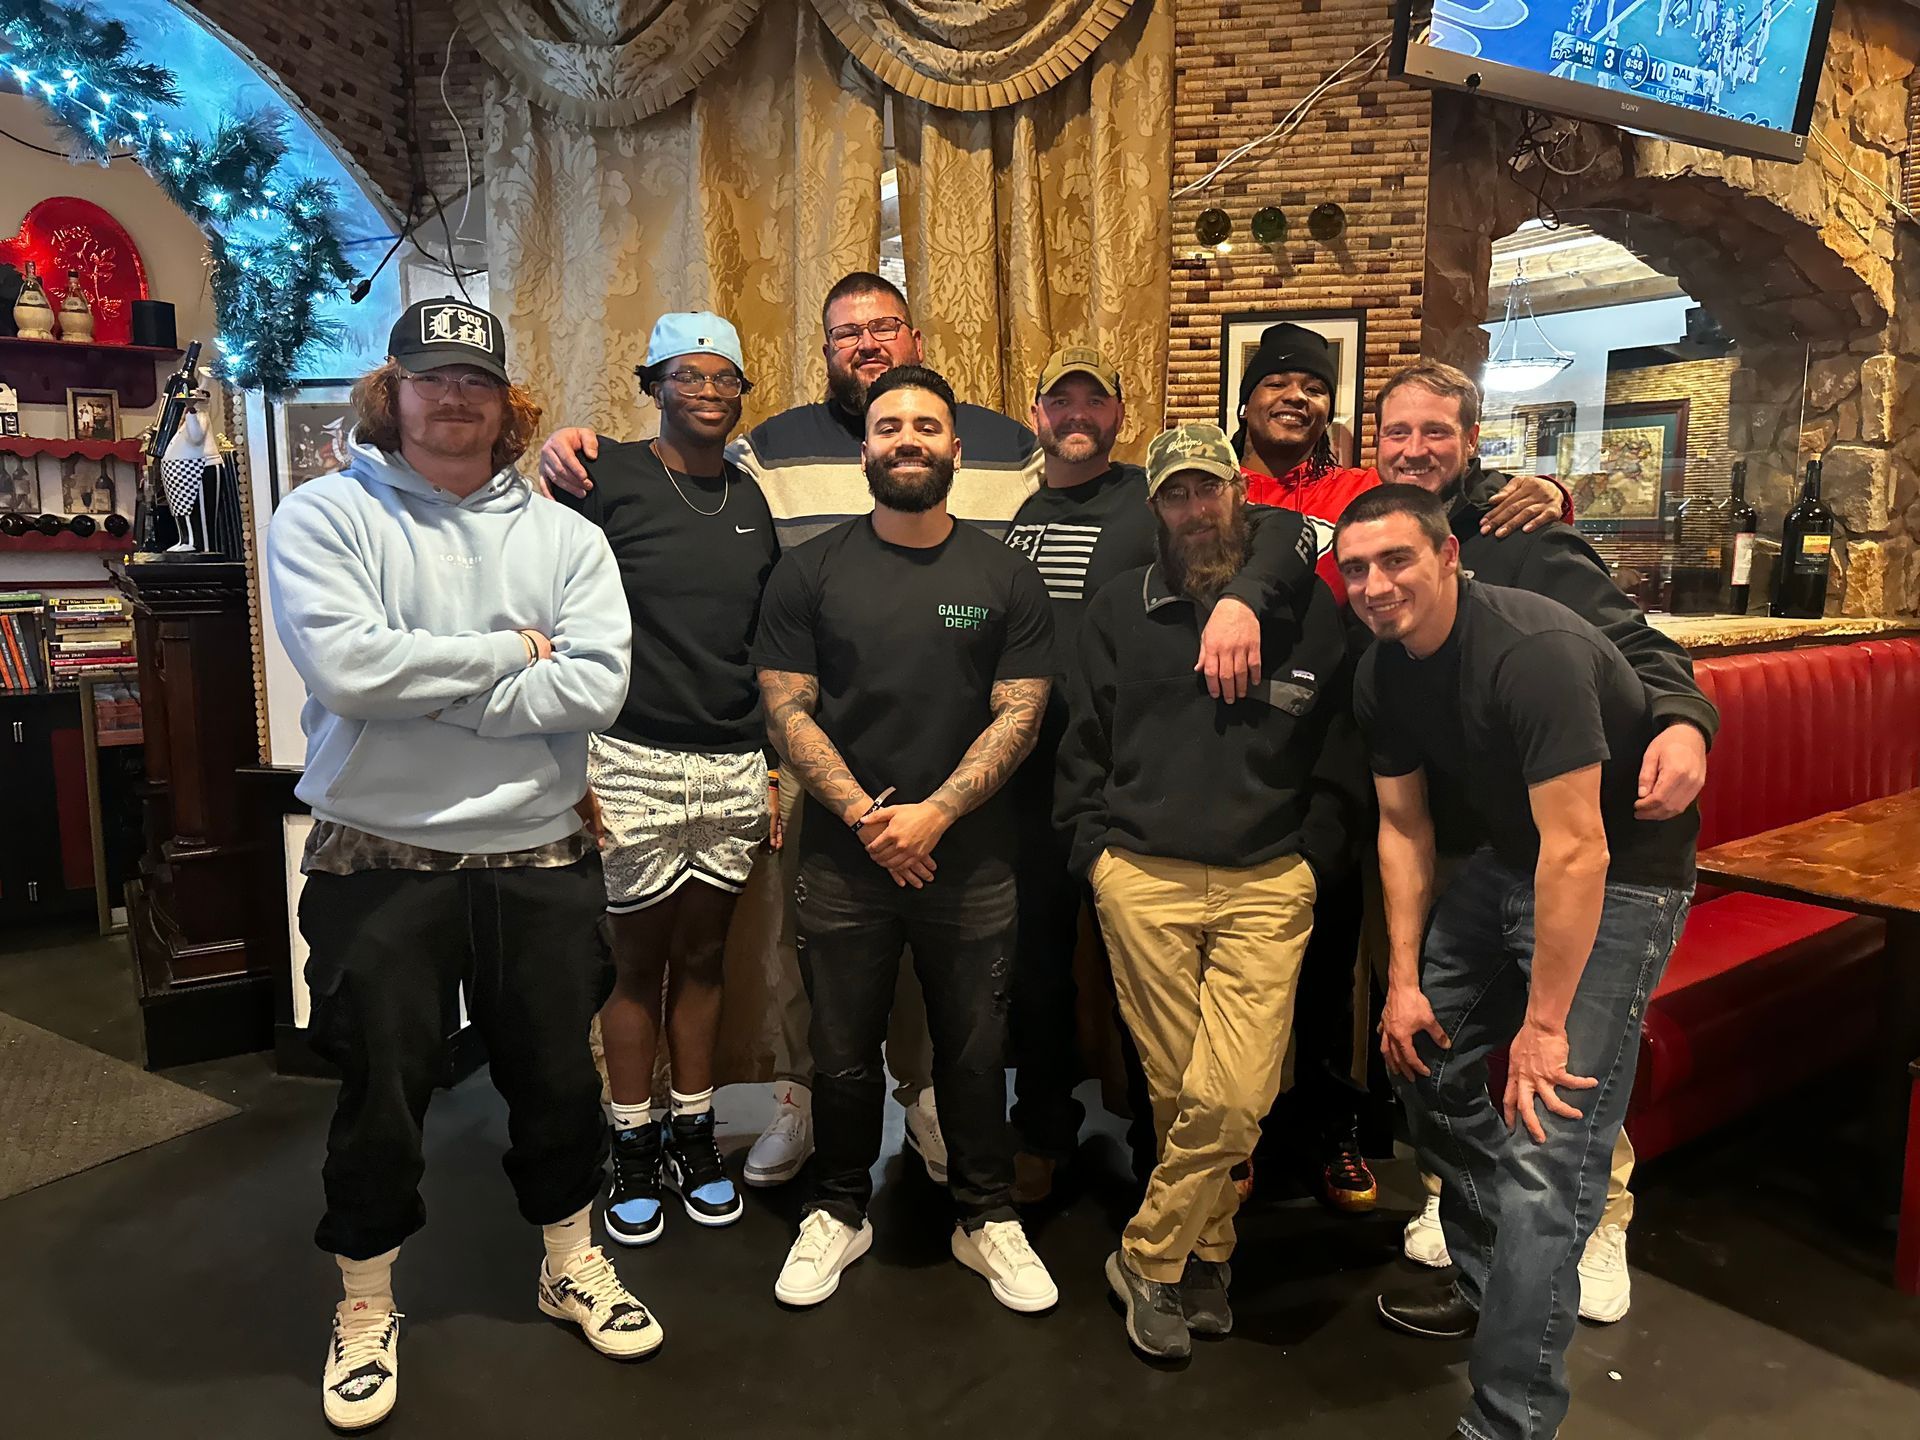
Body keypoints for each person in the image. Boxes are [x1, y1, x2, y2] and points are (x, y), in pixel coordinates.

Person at [536, 272, 1034, 1191]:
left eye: (884, 327)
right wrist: (569, 445)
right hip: (796, 744)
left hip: (930, 758)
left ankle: (920, 1097)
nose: (867, 345)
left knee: (924, 959)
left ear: (917, 339)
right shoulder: (763, 453)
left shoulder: (1003, 444)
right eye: (846, 334)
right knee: (804, 951)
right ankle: (799, 1103)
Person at [266, 299, 652, 1433]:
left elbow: (594, 689)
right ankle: (366, 1303)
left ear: (504, 400)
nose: (456, 397)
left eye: (475, 380)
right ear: (394, 389)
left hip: (539, 856)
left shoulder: (567, 540)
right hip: (377, 864)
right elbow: (347, 673)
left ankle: (569, 1260)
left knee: (559, 1081)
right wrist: (506, 657)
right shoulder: (324, 516)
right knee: (380, 1095)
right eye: (433, 378)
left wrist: (432, 687)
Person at [1335, 485, 1697, 1440]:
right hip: (1511, 860)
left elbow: (1582, 852)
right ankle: (1501, 1291)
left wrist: (1542, 1028)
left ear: (1450, 556)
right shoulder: (1383, 672)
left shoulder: (1529, 653)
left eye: (1397, 561)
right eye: (1358, 567)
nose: (1376, 585)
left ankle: (1509, 1418)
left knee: (1549, 1156)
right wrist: (1405, 982)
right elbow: (1404, 828)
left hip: (1621, 878)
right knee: (1426, 1063)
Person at [1373, 360, 1717, 1320]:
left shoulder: (1527, 536)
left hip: (1587, 844)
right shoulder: (1371, 529)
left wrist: (1686, 720)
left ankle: (1597, 1222)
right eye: (1397, 432)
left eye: (1435, 431)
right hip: (1468, 829)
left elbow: (1640, 648)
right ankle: (1477, 1212)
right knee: (1442, 1045)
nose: (1414, 448)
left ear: (1471, 441)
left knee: (1566, 1057)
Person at [1229, 324, 1570, 1216]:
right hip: (1235, 754)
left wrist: (1550, 489)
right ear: (1246, 396)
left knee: (1341, 957)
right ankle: (1241, 1131)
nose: (1294, 397)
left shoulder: (1363, 492)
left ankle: (1338, 1127)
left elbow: (1445, 506)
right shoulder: (1214, 490)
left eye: (1312, 384)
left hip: (1358, 749)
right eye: (1277, 382)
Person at [752, 364, 1060, 1312]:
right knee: (840, 1053)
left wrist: (933, 815)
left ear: (957, 450)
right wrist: (868, 819)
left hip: (972, 862)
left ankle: (985, 1216)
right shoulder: (810, 571)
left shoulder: (1004, 572)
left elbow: (1022, 712)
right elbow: (787, 710)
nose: (908, 441)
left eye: (927, 426)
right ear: (864, 450)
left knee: (973, 1053)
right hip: (845, 862)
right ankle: (839, 1211)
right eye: (890, 427)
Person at [1057, 424, 1362, 1359]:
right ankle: (1210, 1252)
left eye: (1210, 489)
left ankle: (1147, 1256)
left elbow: (1342, 757)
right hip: (1143, 877)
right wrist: (1098, 858)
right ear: (1155, 509)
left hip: (1271, 880)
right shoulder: (1116, 610)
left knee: (1234, 1095)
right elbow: (1084, 750)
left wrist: (1313, 858)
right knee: (1179, 1087)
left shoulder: (1310, 610)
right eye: (1177, 495)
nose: (1197, 509)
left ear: (1243, 494)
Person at [1001, 346, 1305, 1203]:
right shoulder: (1017, 509)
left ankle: (1159, 1151)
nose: (1075, 417)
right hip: (1036, 781)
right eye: (1058, 402)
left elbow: (1279, 529)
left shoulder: (1154, 495)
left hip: (1128, 780)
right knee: (1040, 972)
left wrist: (1243, 598)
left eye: (1093, 402)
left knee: (1151, 989)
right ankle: (1045, 1130)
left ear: (1118, 416)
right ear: (1037, 417)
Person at [550, 312, 779, 1247]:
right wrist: (570, 767)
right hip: (627, 754)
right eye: (689, 375)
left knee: (704, 959)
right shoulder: (604, 476)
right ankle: (632, 1143)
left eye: (727, 379)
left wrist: (765, 764)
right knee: (634, 963)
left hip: (730, 760)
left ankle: (693, 1136)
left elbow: (762, 641)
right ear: (653, 383)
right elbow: (552, 606)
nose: (710, 392)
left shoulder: (752, 498)